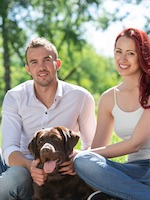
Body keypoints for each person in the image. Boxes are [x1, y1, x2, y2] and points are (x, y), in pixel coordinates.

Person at [74, 28, 150, 200]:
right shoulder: (108, 98)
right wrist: (79, 157)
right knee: (83, 161)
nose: (122, 59)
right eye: (118, 51)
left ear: (142, 56)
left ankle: (127, 194)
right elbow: (96, 152)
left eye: (130, 53)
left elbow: (135, 144)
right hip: (134, 169)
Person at [0, 37, 96, 200]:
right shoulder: (15, 97)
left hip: (63, 172)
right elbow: (9, 148)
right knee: (13, 180)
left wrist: (76, 159)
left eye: (47, 60)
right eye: (34, 62)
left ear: (57, 64)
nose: (41, 67)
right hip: (25, 166)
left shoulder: (81, 97)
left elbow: (93, 145)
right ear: (28, 69)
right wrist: (31, 166)